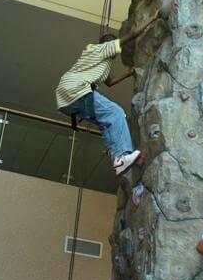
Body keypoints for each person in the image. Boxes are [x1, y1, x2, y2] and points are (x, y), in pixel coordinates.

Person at [56, 12, 158, 176]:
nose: (115, 47)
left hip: (68, 99)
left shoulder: (102, 63)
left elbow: (109, 82)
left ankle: (114, 151)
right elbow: (131, 35)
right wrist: (153, 18)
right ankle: (121, 156)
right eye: (113, 43)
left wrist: (128, 73)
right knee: (115, 112)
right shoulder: (99, 50)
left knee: (106, 122)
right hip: (76, 90)